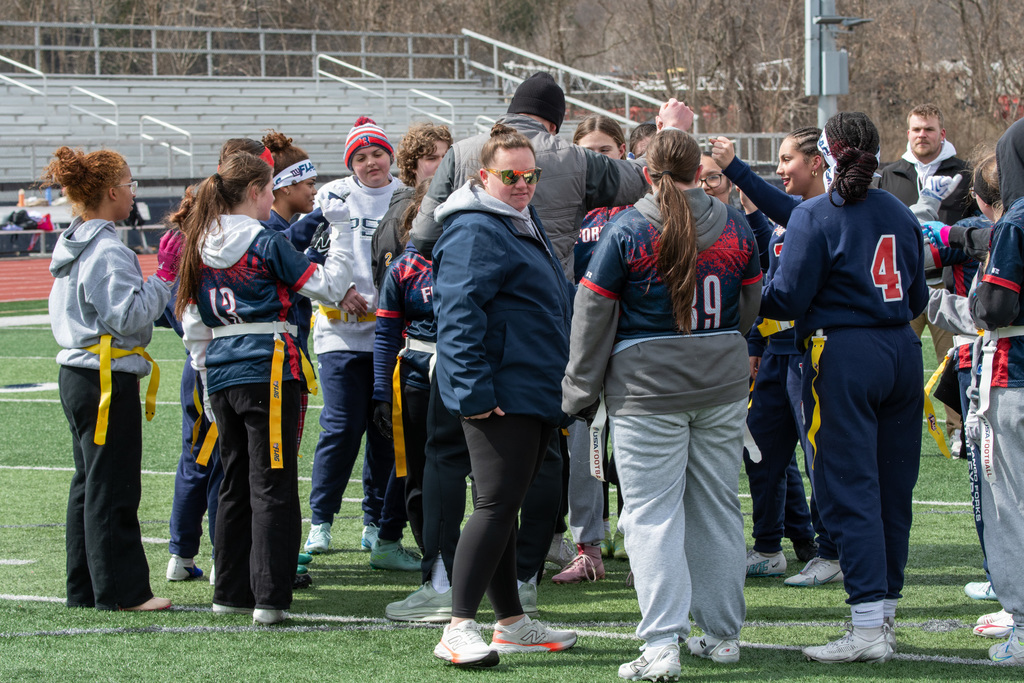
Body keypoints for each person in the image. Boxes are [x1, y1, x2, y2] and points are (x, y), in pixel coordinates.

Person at [563, 128, 759, 679]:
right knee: (717, 507)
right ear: (701, 171)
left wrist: (578, 392)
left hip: (647, 389)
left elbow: (591, 316)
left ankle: (662, 643)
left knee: (650, 515)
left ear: (646, 173)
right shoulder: (734, 222)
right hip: (720, 384)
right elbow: (749, 303)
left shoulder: (627, 228)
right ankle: (722, 635)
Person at [761, 112, 927, 663]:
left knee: (849, 488)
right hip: (901, 349)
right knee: (893, 491)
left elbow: (786, 299)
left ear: (827, 157)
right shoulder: (898, 210)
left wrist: (752, 291)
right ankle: (884, 617)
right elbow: (919, 297)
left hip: (842, 353)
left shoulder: (813, 214)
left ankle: (867, 627)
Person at [176, 151, 353, 624]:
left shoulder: (199, 243)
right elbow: (330, 285)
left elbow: (192, 322)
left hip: (220, 369)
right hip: (269, 365)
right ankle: (270, 597)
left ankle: (230, 591)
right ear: (256, 191)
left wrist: (206, 374)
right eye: (269, 189)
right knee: (273, 482)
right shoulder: (264, 240)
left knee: (234, 482)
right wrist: (343, 231)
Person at [430, 124, 577, 667]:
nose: (522, 185)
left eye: (530, 175)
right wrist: (472, 391)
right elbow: (458, 314)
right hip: (501, 391)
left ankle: (511, 623)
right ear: (482, 175)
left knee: (504, 507)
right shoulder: (476, 226)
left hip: (531, 385)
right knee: (494, 508)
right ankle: (457, 627)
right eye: (510, 175)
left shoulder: (517, 218)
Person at [44, 145, 178, 612]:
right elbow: (131, 317)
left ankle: (84, 587)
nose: (133, 192)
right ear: (111, 192)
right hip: (103, 378)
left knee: (88, 484)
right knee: (113, 485)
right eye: (129, 184)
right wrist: (165, 277)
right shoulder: (108, 250)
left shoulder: (75, 243)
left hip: (78, 373)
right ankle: (122, 592)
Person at [711, 129, 833, 586]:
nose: (780, 169)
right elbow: (768, 275)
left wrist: (736, 168)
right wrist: (757, 345)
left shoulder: (821, 212)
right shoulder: (789, 217)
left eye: (787, 159)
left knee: (818, 456)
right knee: (761, 453)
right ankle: (768, 547)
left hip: (811, 355)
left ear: (817, 162)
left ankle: (831, 549)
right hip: (777, 354)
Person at [304, 117, 420, 571]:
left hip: (390, 335)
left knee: (385, 431)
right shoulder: (332, 196)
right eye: (361, 156)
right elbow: (304, 260)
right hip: (339, 332)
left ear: (390, 156)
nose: (371, 162)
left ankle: (374, 522)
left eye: (377, 153)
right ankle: (321, 520)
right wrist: (337, 292)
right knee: (341, 427)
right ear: (350, 163)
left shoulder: (408, 196)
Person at [555, 114, 633, 584]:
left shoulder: (639, 203)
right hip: (579, 338)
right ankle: (587, 547)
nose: (598, 159)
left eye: (605, 150)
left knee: (637, 445)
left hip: (630, 338)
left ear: (623, 152)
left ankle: (639, 539)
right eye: (588, 152)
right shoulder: (569, 204)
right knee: (583, 446)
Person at [880, 103, 976, 454]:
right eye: (917, 129)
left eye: (929, 129)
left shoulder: (965, 174)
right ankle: (891, 427)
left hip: (948, 285)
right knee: (893, 359)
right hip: (902, 285)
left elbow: (974, 232)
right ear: (908, 133)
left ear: (942, 133)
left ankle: (959, 430)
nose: (922, 135)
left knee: (955, 360)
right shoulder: (890, 174)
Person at [967, 115, 1024, 665]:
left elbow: (995, 307)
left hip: (1015, 372)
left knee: (1010, 504)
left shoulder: (1015, 221)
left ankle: (1023, 626)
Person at [371, 123, 452, 289]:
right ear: (412, 166)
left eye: (446, 157)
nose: (442, 164)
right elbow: (389, 285)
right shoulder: (399, 214)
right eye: (431, 158)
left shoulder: (456, 203)